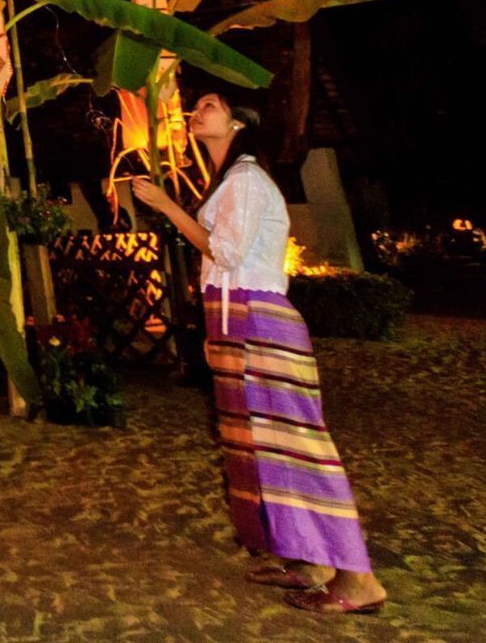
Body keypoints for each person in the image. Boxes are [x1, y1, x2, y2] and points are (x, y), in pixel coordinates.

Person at [135, 91, 386, 615]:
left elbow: (224, 251)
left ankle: (358, 578)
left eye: (208, 105)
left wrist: (166, 207)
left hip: (261, 322)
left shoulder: (246, 181)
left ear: (238, 123)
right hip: (236, 320)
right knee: (261, 446)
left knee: (297, 444)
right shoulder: (229, 181)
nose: (195, 112)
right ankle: (306, 558)